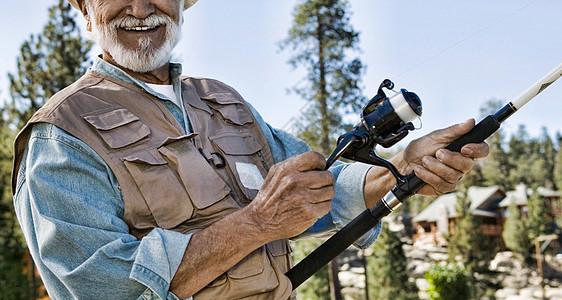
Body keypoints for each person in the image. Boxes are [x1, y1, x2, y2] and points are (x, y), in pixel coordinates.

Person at [11, 0, 489, 299]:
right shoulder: (61, 135)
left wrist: (402, 167)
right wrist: (256, 223)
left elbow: (316, 188)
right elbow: (102, 288)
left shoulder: (223, 100)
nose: (139, 7)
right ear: (82, 7)